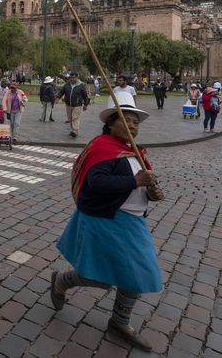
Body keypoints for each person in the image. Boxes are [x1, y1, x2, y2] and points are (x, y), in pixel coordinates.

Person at [51, 91, 163, 352]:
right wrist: (136, 181)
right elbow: (97, 182)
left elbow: (141, 184)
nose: (133, 126)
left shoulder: (132, 152)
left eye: (136, 122)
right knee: (101, 276)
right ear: (111, 123)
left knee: (134, 273)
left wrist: (152, 192)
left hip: (132, 224)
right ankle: (61, 282)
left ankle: (119, 321)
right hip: (106, 220)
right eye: (126, 120)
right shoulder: (102, 147)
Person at [57, 72, 90, 139]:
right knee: (70, 118)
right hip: (68, 104)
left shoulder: (81, 86)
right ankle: (73, 130)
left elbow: (85, 96)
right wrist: (58, 97)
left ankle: (75, 131)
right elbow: (61, 91)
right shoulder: (67, 85)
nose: (72, 79)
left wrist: (85, 104)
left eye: (73, 77)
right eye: (71, 77)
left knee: (75, 117)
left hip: (78, 105)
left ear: (76, 78)